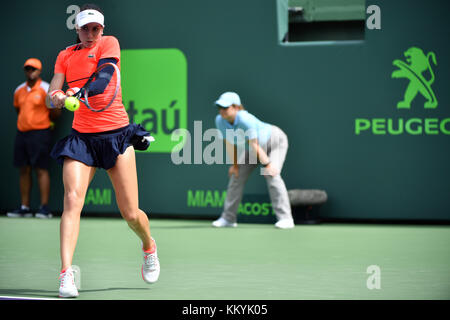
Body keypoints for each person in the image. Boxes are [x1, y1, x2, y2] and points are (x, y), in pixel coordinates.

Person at [46, 4, 160, 298]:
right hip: (82, 138)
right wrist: (59, 97)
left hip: (115, 136)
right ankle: (65, 274)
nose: (91, 34)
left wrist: (81, 92)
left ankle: (148, 246)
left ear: (102, 30)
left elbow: (105, 76)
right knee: (72, 200)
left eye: (96, 28)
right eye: (85, 29)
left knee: (131, 213)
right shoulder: (65, 56)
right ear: (77, 29)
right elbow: (52, 93)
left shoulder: (109, 44)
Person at [212, 92, 295, 229]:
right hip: (254, 148)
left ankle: (286, 219)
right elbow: (229, 143)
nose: (222, 111)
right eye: (220, 107)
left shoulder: (245, 120)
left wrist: (267, 164)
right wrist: (235, 165)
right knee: (236, 176)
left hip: (275, 141)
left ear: (236, 107)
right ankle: (228, 219)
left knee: (271, 175)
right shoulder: (220, 120)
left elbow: (254, 145)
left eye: (225, 108)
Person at [7, 58, 60, 219]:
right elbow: (18, 110)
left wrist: (44, 123)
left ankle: (44, 208)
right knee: (24, 169)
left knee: (41, 169)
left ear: (39, 71)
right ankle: (25, 207)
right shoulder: (19, 90)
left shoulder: (45, 88)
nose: (31, 72)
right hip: (22, 133)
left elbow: (55, 112)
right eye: (28, 69)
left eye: (34, 69)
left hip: (40, 133)